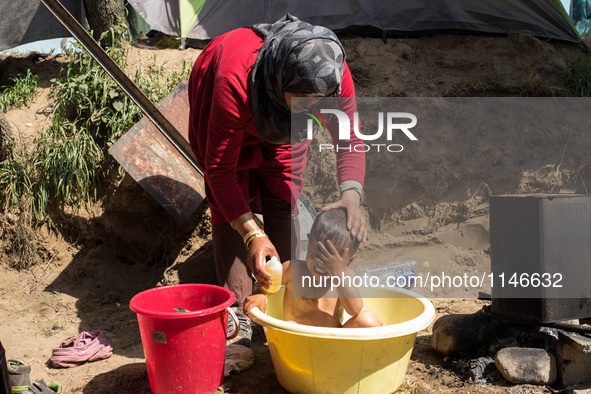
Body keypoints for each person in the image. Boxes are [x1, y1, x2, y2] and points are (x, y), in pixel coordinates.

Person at [188, 14, 367, 310]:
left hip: (283, 125)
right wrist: (252, 234)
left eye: (318, 101)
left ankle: (282, 309)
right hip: (236, 97)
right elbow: (219, 170)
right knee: (229, 207)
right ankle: (237, 318)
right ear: (282, 80)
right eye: (301, 96)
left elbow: (349, 139)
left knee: (283, 192)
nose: (309, 106)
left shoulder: (333, 75)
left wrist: (351, 196)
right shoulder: (234, 79)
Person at [243, 208, 382, 328]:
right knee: (290, 326)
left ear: (349, 261)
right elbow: (266, 283)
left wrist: (338, 273)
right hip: (296, 338)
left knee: (370, 321)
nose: (320, 263)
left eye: (331, 262)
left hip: (333, 341)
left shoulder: (346, 277)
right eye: (316, 253)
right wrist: (261, 294)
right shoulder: (294, 269)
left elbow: (355, 310)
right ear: (309, 242)